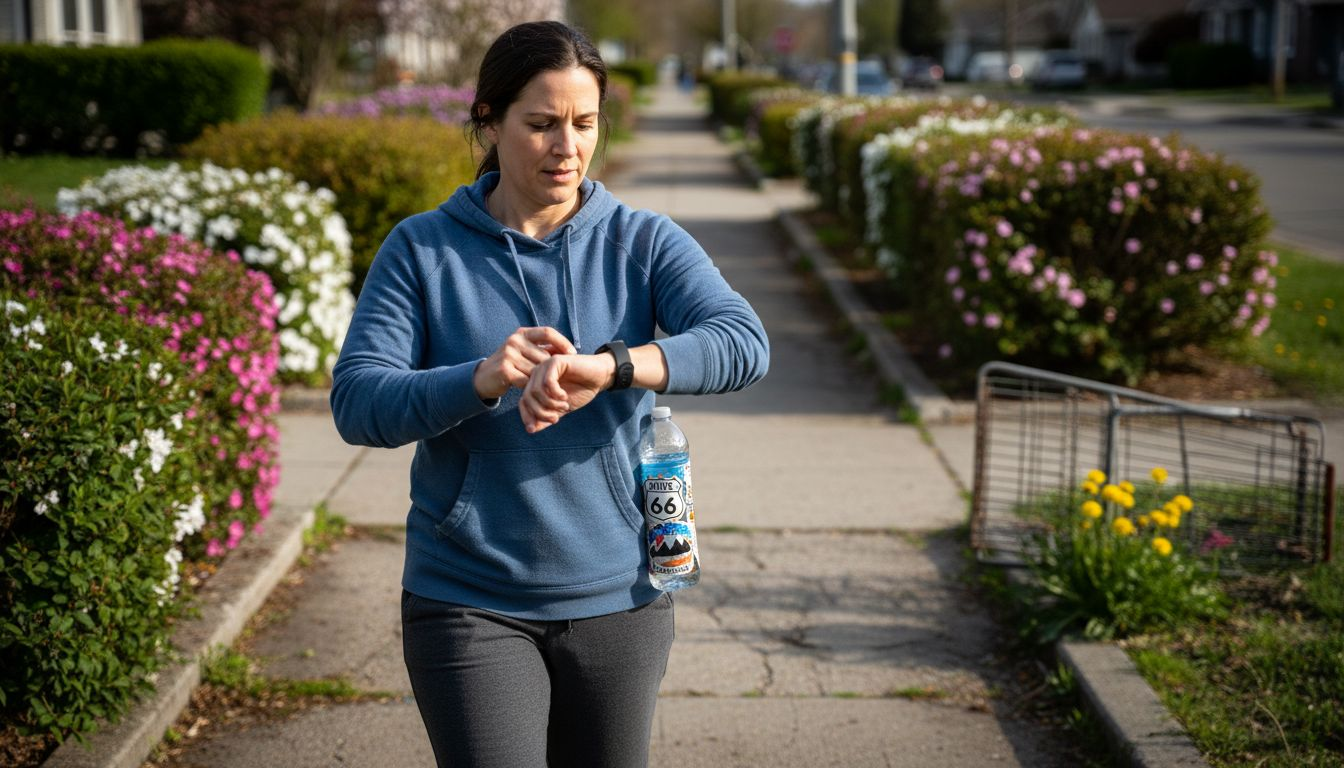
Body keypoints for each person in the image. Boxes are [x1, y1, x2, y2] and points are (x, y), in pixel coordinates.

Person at [329, 20, 769, 768]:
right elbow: (360, 402)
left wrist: (615, 367)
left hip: (622, 595)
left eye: (584, 122)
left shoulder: (643, 240)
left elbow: (741, 342)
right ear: (489, 121)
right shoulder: (421, 249)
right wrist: (481, 378)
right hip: (468, 598)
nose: (567, 147)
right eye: (540, 125)